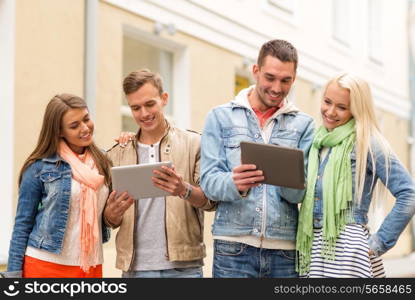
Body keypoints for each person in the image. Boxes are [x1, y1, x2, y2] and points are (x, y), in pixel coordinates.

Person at [200, 39, 315, 278]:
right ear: (255, 71)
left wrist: (286, 177)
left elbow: (300, 195)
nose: (276, 88)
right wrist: (234, 184)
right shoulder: (220, 117)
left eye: (286, 81)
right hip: (232, 248)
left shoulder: (304, 125)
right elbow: (208, 182)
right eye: (270, 77)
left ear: (294, 79)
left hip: (284, 252)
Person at [296, 73, 415, 278]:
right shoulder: (316, 142)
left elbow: (409, 193)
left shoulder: (368, 142)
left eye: (342, 107)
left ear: (356, 110)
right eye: (327, 102)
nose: (330, 112)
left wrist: (377, 243)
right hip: (313, 249)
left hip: (347, 253)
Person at [103, 69, 214, 278]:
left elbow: (210, 202)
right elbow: (108, 221)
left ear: (164, 99)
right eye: (135, 108)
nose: (144, 114)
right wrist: (112, 213)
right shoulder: (117, 153)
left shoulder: (194, 144)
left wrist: (184, 190)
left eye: (149, 104)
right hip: (135, 269)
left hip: (184, 269)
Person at [4, 94, 127, 278]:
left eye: (86, 119)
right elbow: (22, 224)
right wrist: (13, 276)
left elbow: (108, 217)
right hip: (46, 265)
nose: (85, 128)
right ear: (59, 131)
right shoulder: (39, 167)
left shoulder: (103, 161)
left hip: (91, 265)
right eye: (74, 125)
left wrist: (133, 140)